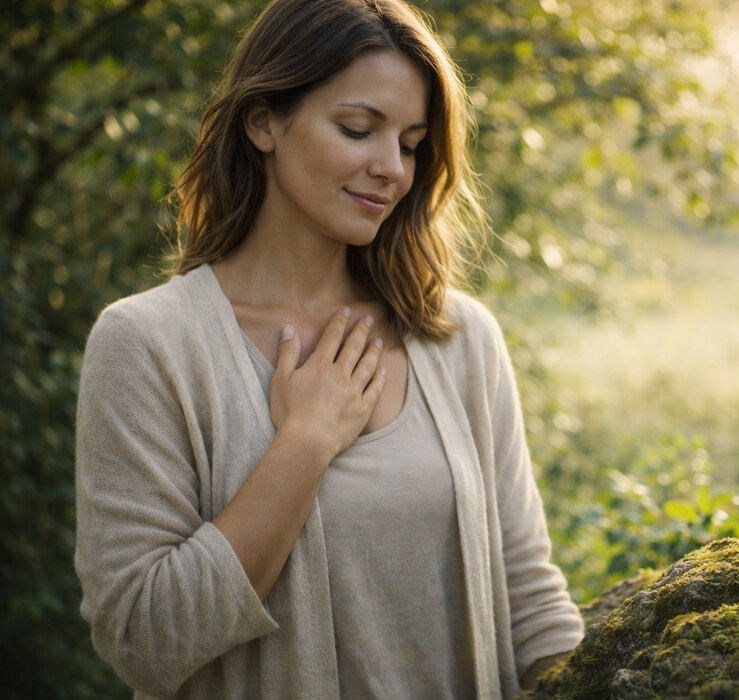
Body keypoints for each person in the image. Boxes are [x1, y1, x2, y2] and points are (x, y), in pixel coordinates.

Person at [73, 0, 584, 697]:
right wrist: (306, 443)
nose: (392, 169)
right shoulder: (148, 345)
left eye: (408, 143)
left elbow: (530, 601)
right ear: (264, 122)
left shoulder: (459, 340)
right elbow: (144, 640)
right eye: (357, 129)